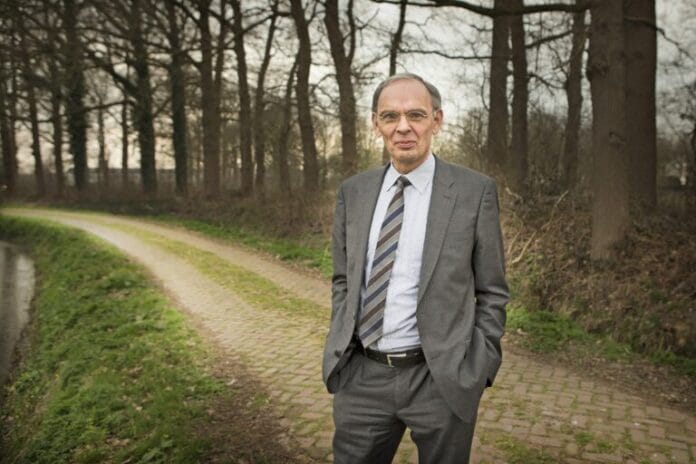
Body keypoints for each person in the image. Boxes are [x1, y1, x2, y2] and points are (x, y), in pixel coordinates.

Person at [322, 73, 509, 464]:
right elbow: (343, 279)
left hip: (441, 380)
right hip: (363, 378)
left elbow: (492, 290)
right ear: (376, 124)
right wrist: (344, 347)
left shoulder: (474, 192)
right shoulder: (353, 192)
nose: (403, 127)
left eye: (416, 115)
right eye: (390, 116)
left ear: (436, 121)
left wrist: (479, 364)